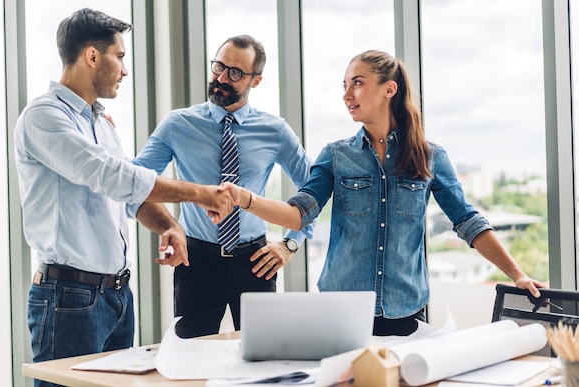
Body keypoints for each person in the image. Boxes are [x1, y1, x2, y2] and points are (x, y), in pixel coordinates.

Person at [221, 49, 545, 336]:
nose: (347, 94)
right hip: (341, 309)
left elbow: (468, 222)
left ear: (389, 89)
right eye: (344, 85)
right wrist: (244, 198)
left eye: (357, 83)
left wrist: (518, 275)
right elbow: (298, 213)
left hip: (406, 310)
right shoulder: (335, 155)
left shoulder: (430, 157)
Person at [13, 8, 233, 386]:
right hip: (69, 299)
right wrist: (199, 193)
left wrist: (169, 226)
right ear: (92, 56)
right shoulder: (44, 117)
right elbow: (110, 175)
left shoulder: (101, 124)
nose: (125, 69)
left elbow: (130, 198)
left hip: (116, 297)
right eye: (120, 56)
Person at [133, 35, 315, 338]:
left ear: (255, 81)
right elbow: (136, 180)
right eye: (218, 66)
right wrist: (168, 225)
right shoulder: (178, 124)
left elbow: (314, 191)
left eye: (234, 73)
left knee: (263, 359)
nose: (220, 78)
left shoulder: (275, 130)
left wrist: (290, 244)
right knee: (191, 360)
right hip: (197, 262)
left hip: (256, 263)